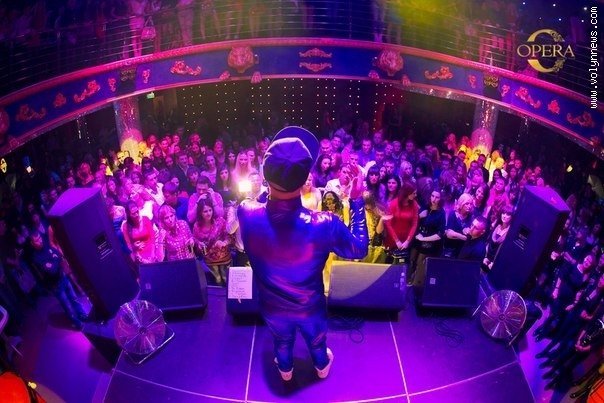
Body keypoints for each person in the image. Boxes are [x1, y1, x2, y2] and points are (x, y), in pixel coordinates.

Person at [238, 127, 368, 382]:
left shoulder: (246, 212)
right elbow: (359, 249)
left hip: (272, 307)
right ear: (305, 180)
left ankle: (285, 370)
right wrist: (356, 200)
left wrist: (268, 184)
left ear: (264, 174)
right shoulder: (324, 224)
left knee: (282, 341)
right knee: (317, 342)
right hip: (311, 308)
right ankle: (321, 366)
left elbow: (263, 204)